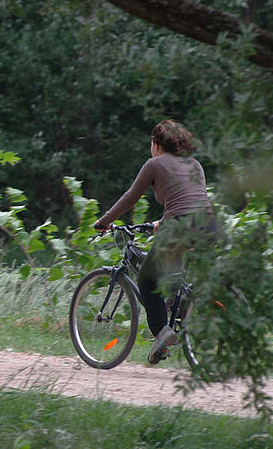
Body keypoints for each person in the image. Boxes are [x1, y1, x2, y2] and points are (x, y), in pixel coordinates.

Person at [93, 120, 217, 365]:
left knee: (147, 280)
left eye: (152, 142)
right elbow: (189, 198)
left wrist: (105, 221)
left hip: (179, 226)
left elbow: (131, 197)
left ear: (157, 144)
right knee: (172, 276)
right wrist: (162, 220)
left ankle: (162, 332)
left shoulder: (154, 164)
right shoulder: (195, 164)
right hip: (208, 225)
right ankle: (178, 320)